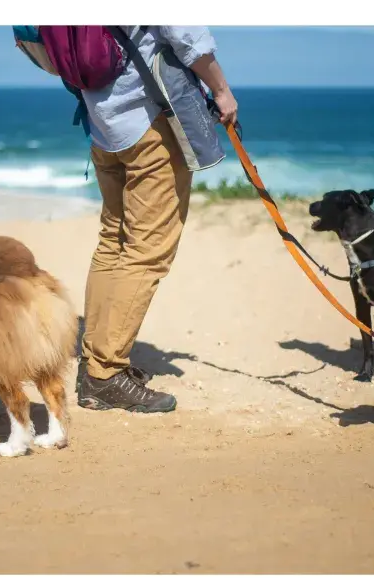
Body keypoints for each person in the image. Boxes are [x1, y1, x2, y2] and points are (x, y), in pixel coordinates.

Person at [76, 26, 238, 413]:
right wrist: (221, 90)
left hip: (102, 126)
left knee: (113, 242)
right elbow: (185, 32)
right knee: (147, 252)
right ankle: (105, 375)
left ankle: (94, 363)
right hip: (148, 122)